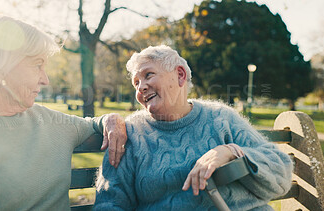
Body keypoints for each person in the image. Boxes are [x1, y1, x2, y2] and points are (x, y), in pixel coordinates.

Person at [0, 14, 127, 210]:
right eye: (38, 65)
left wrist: (112, 119)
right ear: (1, 66)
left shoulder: (49, 120)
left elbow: (95, 123)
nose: (45, 80)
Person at [94, 45, 293, 210]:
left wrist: (230, 151)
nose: (141, 87)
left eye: (148, 75)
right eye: (136, 83)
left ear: (180, 75)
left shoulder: (220, 118)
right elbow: (109, 203)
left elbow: (281, 172)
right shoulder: (130, 134)